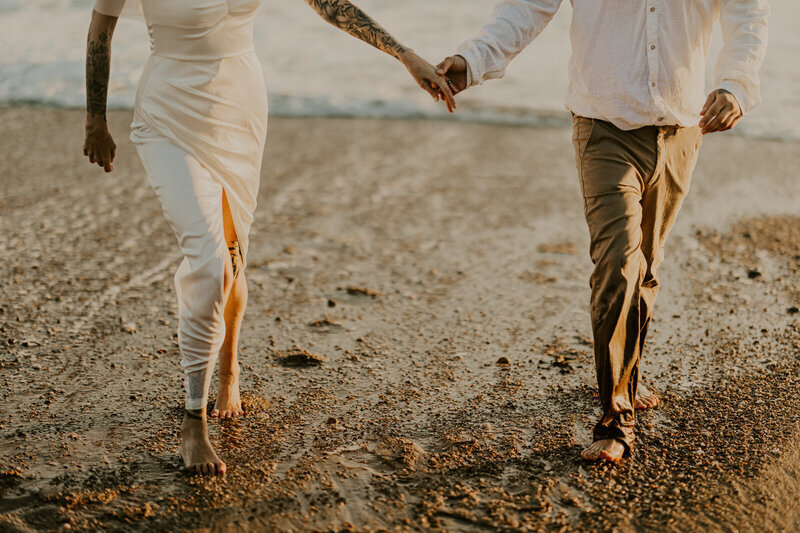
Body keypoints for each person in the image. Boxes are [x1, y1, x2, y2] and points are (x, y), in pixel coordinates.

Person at [82, 0, 455, 475]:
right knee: (209, 256)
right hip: (170, 116)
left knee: (233, 253)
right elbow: (100, 30)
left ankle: (230, 367)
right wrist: (96, 119)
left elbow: (330, 5)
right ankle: (193, 422)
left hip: (240, 112)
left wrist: (404, 55)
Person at [436, 0, 768, 462]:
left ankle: (627, 373)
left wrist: (735, 85)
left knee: (647, 267)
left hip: (683, 129)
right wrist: (472, 61)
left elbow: (748, 13)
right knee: (618, 264)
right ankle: (616, 419)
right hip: (604, 127)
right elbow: (526, 7)